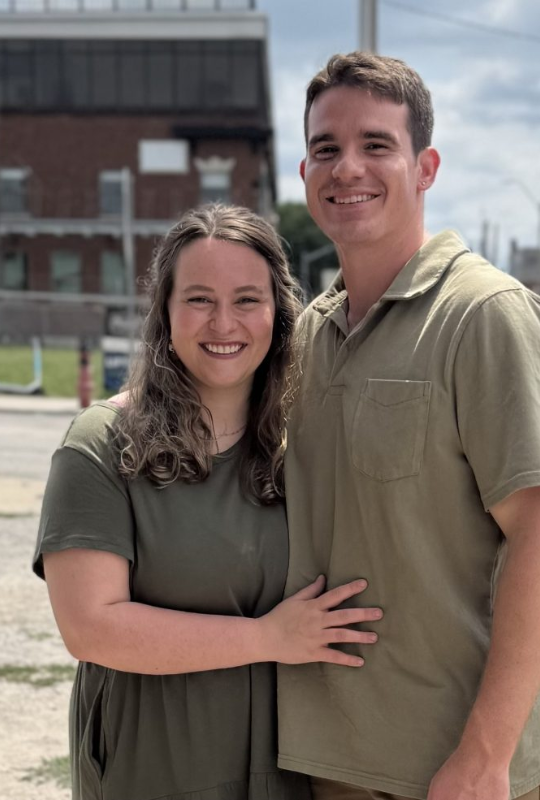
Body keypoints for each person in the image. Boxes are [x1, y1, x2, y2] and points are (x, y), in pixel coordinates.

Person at [277, 53, 540, 800]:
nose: (348, 167)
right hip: (330, 756)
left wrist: (485, 756)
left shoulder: (487, 317)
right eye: (327, 149)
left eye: (377, 144)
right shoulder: (310, 336)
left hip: (451, 768)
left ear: (426, 167)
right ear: (305, 171)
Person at [33, 203, 382, 800]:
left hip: (291, 772)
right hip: (158, 769)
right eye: (198, 299)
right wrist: (267, 638)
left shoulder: (303, 446)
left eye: (247, 299)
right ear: (165, 313)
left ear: (278, 313)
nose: (224, 323)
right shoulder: (100, 447)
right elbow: (91, 628)